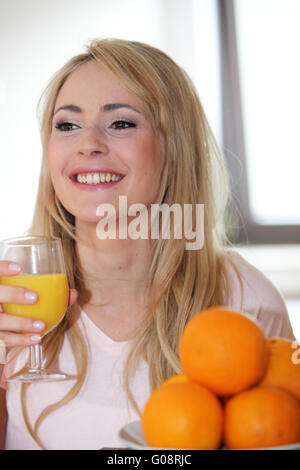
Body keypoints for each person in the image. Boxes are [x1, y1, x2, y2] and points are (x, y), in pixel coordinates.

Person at [0, 38, 295, 450]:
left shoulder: (245, 300)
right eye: (67, 125)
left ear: (174, 146)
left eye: (121, 123)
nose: (88, 144)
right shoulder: (14, 300)